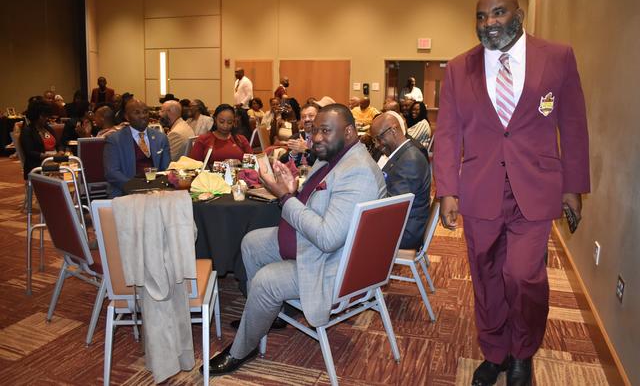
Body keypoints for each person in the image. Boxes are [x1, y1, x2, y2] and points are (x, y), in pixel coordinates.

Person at [434, 0, 590, 386]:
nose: (489, 24)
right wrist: (447, 190)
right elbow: (448, 134)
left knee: (523, 276)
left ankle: (523, 352)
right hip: (480, 189)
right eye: (482, 17)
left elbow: (572, 126)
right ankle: (495, 352)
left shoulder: (557, 58)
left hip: (535, 188)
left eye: (498, 13)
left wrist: (573, 186)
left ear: (519, 14)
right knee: (485, 276)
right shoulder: (457, 69)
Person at [203, 104, 386, 376]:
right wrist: (295, 189)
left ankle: (243, 348)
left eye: (326, 131)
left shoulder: (357, 172)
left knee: (266, 280)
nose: (317, 138)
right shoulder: (333, 158)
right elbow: (318, 204)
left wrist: (285, 198)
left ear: (349, 132)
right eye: (315, 131)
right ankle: (266, 314)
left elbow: (327, 238)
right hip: (314, 247)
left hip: (332, 266)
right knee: (251, 242)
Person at [371, 113, 430, 249]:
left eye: (379, 138)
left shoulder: (410, 160)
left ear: (393, 130)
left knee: (349, 231)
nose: (377, 145)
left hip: (405, 232)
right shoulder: (402, 154)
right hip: (402, 223)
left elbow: (393, 208)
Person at [104, 99, 170, 197]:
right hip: (125, 192)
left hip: (156, 191)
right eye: (137, 112)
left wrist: (156, 188)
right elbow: (112, 173)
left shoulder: (161, 138)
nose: (143, 116)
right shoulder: (114, 140)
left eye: (145, 112)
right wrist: (137, 188)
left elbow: (166, 168)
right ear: (127, 117)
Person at [19, 96, 64, 180]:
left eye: (46, 115)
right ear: (36, 116)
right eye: (43, 116)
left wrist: (60, 151)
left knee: (73, 167)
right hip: (38, 165)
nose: (46, 118)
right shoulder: (27, 131)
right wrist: (49, 156)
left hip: (53, 161)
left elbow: (59, 144)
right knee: (68, 171)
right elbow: (30, 152)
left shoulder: (47, 128)